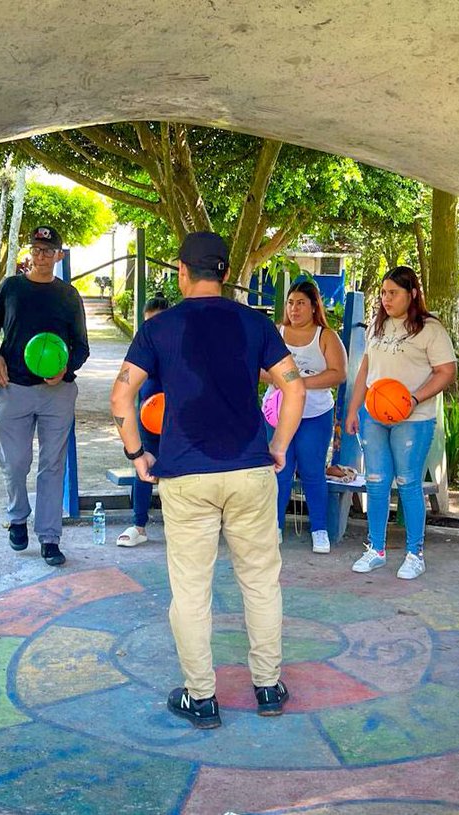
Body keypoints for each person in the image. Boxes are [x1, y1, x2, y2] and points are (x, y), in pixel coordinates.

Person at [109, 231, 306, 729]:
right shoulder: (254, 323)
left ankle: (201, 698)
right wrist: (278, 445)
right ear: (223, 273)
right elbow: (294, 387)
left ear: (182, 271)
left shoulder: (160, 328)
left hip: (185, 474)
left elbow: (120, 397)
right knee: (260, 582)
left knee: (191, 591)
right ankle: (267, 688)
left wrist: (137, 453)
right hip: (249, 469)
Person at [0, 226, 90, 565]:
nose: (41, 256)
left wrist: (66, 368)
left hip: (57, 393)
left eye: (49, 250)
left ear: (59, 255)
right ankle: (17, 517)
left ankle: (49, 537)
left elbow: (82, 347)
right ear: (30, 253)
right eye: (37, 249)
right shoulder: (12, 287)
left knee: (52, 464)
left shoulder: (69, 295)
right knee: (15, 463)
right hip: (14, 389)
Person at [345, 266, 457, 580]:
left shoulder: (430, 329)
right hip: (374, 416)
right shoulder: (376, 327)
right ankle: (376, 550)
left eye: (393, 292)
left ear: (413, 294)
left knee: (408, 482)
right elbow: (364, 372)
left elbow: (446, 371)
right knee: (377, 481)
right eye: (383, 292)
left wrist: (415, 398)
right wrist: (354, 411)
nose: (386, 298)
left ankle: (414, 553)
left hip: (414, 418)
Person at [261, 280, 346, 553]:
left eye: (301, 303)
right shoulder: (275, 332)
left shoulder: (326, 337)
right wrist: (285, 383)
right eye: (290, 303)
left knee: (312, 471)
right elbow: (257, 369)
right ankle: (274, 526)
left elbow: (338, 373)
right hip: (277, 413)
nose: (294, 309)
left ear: (313, 307)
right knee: (278, 470)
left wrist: (300, 384)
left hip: (315, 414)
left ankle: (319, 529)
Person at [116, 296, 168, 548]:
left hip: (176, 421)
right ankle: (138, 525)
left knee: (177, 472)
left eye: (157, 322)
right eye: (148, 323)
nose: (153, 328)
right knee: (143, 469)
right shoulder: (143, 347)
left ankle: (180, 526)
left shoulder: (179, 347)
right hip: (147, 419)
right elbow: (124, 390)